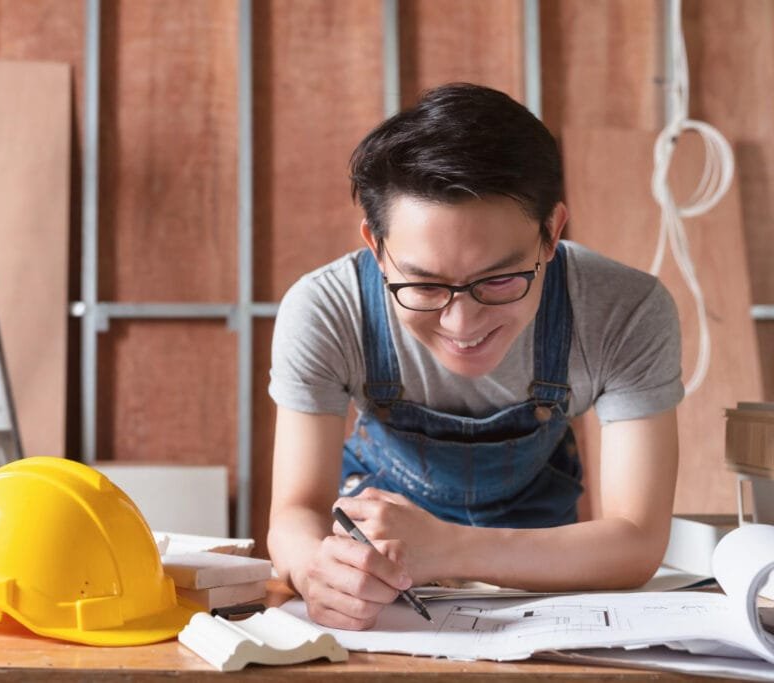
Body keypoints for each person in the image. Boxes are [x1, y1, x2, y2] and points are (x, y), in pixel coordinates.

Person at [266, 82, 682, 631]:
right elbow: (295, 512)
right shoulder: (326, 306)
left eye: (501, 279)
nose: (462, 324)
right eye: (424, 285)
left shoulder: (625, 309)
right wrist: (313, 567)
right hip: (378, 554)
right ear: (377, 246)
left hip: (542, 553)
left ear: (551, 233)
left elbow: (636, 541)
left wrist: (449, 549)